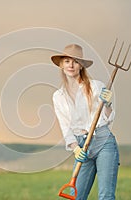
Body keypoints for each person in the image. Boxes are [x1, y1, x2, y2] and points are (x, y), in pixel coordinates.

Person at [51, 44, 119, 200]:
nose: (71, 65)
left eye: (75, 61)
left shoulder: (96, 86)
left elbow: (108, 118)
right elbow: (65, 126)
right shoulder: (58, 96)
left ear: (81, 66)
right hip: (82, 146)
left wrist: (108, 104)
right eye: (67, 61)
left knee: (106, 196)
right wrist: (75, 148)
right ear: (61, 65)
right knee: (77, 196)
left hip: (103, 142)